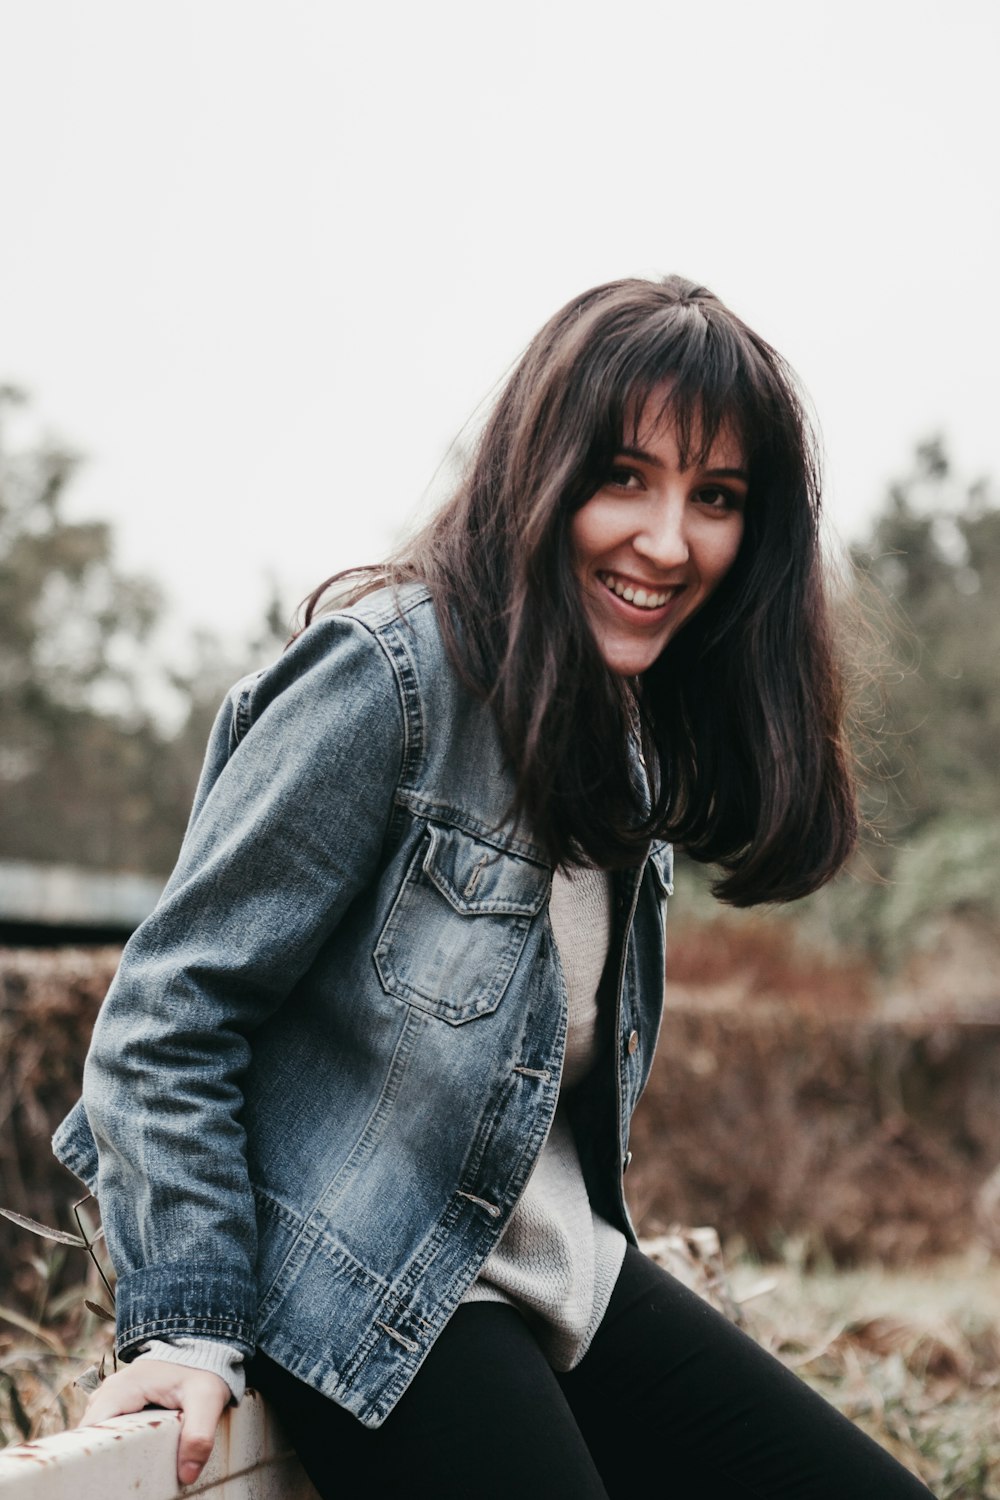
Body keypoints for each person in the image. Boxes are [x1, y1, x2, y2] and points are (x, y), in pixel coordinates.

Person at [54, 275, 933, 1498]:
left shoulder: (628, 731)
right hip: (367, 1280)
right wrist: (185, 1321)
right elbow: (166, 1019)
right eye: (625, 476)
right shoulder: (390, 677)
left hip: (549, 1268)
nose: (668, 542)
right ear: (543, 469)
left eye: (715, 498)